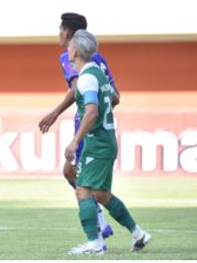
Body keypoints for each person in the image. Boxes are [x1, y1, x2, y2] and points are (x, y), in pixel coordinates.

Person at [64, 30, 151, 255]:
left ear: (75, 50)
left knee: (82, 190)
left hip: (98, 142)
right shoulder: (98, 72)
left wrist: (75, 140)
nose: (67, 49)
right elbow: (113, 97)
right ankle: (138, 233)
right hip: (106, 140)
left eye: (69, 46)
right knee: (101, 194)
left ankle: (94, 243)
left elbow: (91, 112)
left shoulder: (86, 77)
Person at [38, 13, 117, 246]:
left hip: (87, 126)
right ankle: (121, 228)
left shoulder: (68, 56)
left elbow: (75, 88)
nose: (58, 33)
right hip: (102, 127)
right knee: (76, 174)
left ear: (69, 34)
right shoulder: (98, 57)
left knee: (77, 177)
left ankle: (100, 230)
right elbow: (115, 96)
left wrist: (55, 112)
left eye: (61, 29)